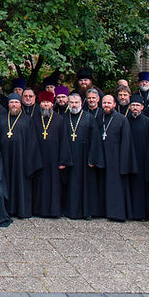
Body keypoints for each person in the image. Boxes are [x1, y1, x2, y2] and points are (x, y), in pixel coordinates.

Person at [91, 94, 136, 221]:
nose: (106, 105)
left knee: (115, 186)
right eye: (104, 103)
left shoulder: (122, 119)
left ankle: (115, 213)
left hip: (116, 158)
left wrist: (124, 163)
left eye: (109, 103)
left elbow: (126, 142)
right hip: (101, 157)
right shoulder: (98, 118)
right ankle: (101, 211)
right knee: (102, 185)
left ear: (114, 104)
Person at [0, 93, 41, 219]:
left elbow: (32, 142)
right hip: (4, 158)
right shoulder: (1, 119)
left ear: (20, 104)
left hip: (21, 160)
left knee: (21, 184)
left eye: (16, 102)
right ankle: (6, 209)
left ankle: (21, 210)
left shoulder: (27, 120)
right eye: (11, 102)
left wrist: (29, 161)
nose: (14, 105)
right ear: (8, 104)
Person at [60, 92, 97, 220]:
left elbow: (95, 139)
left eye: (76, 102)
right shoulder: (64, 118)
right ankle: (70, 211)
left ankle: (86, 211)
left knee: (85, 185)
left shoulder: (89, 117)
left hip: (84, 156)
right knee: (70, 185)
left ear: (81, 103)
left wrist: (92, 158)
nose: (74, 105)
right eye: (71, 102)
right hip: (69, 156)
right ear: (68, 103)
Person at [32, 91, 68, 218]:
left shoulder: (59, 119)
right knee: (40, 184)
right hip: (39, 157)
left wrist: (63, 160)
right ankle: (39, 210)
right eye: (43, 102)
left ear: (52, 104)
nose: (46, 105)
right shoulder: (35, 118)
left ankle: (54, 210)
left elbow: (64, 140)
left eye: (48, 102)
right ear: (40, 104)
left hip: (54, 157)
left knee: (54, 185)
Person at [126, 94, 149, 221]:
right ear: (129, 107)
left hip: (143, 160)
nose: (135, 108)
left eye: (137, 105)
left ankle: (141, 214)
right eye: (133, 105)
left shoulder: (148, 122)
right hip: (128, 159)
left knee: (141, 188)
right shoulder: (125, 121)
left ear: (142, 107)